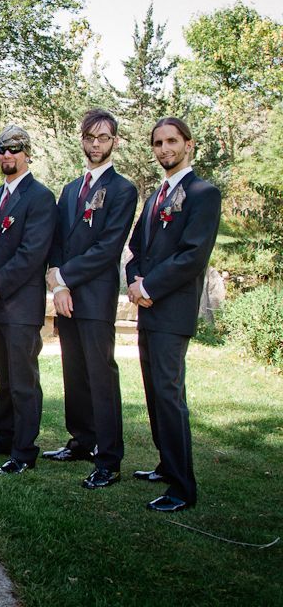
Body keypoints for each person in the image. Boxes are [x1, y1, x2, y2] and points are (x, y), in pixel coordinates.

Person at [126, 117, 221, 512]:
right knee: (154, 391)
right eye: (158, 143)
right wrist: (133, 280)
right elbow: (136, 248)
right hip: (148, 309)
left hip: (172, 308)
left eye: (171, 141)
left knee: (169, 394)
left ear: (188, 145)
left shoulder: (203, 193)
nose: (164, 149)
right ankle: (166, 464)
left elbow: (192, 255)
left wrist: (148, 287)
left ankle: (182, 488)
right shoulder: (155, 197)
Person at [44, 110, 138, 490]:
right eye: (89, 137)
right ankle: (82, 441)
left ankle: (109, 458)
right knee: (74, 372)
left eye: (103, 137)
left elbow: (107, 248)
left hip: (96, 297)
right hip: (67, 297)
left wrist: (65, 277)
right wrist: (58, 286)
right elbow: (57, 242)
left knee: (101, 375)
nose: (95, 144)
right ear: (81, 140)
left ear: (114, 141)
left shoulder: (123, 190)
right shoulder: (69, 190)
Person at [0, 125, 57, 474]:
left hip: (21, 306)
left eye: (15, 149)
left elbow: (32, 253)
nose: (8, 155)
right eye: (2, 149)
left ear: (27, 153)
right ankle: (2, 437)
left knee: (23, 382)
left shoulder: (40, 197)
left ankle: (24, 451)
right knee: (3, 379)